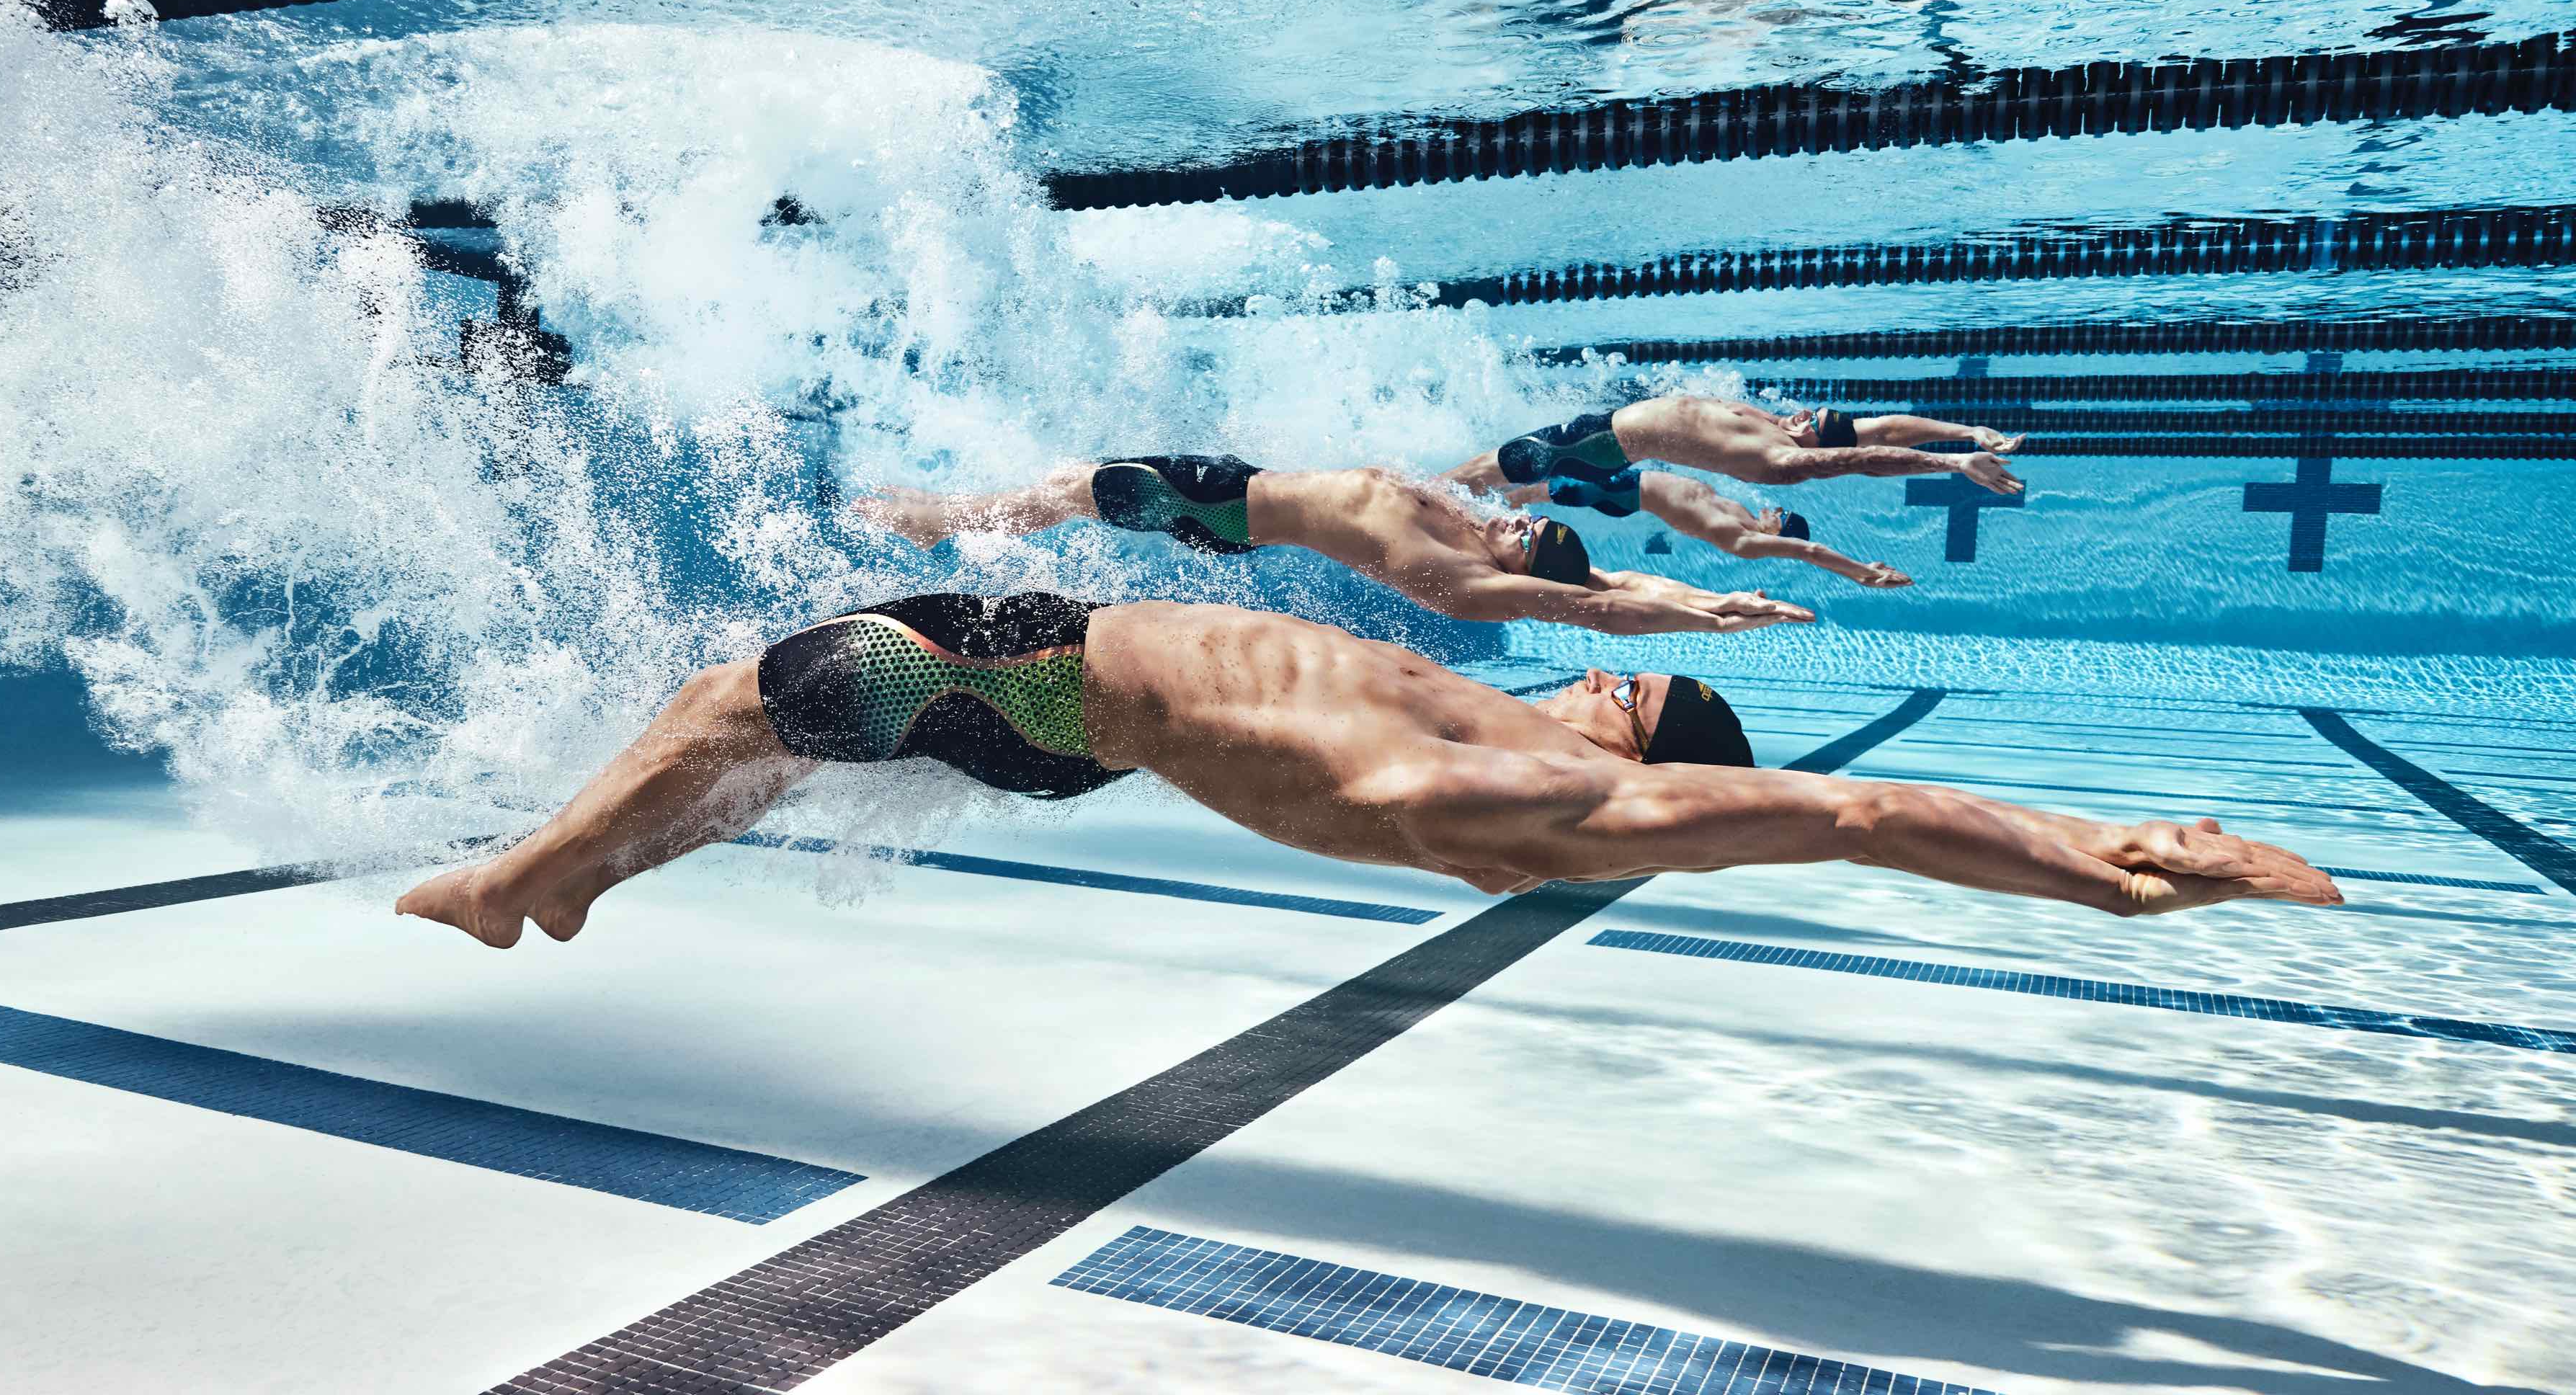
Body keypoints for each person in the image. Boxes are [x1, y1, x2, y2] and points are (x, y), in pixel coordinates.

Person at [396, 593, 2340, 948]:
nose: (1592, 679)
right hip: (1074, 695)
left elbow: (1851, 815)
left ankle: (531, 881)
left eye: (1620, 688)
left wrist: (2095, 856)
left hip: (1074, 695)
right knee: (734, 708)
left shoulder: (1580, 802)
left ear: (1642, 741)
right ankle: (567, 868)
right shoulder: (1517, 750)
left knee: (746, 699)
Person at [852, 455, 1814, 636]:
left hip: (1227, 510)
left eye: (1530, 538)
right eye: (1536, 520)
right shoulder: (1481, 530)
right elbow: (1608, 574)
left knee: (1069, 488)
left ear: (1515, 572)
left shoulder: (1468, 581)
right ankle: (960, 523)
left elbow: (1593, 602)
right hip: (1235, 481)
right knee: (1068, 488)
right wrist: (1703, 593)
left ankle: (948, 524)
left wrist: (1708, 619)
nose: (1521, 520)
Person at [1445, 397, 2028, 495]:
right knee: (1487, 476)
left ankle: (1414, 497)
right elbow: (1887, 430)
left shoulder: (1780, 461)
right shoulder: (1781, 427)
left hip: (1597, 447)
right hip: (1603, 423)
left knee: (1478, 474)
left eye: (1813, 420)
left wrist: (1953, 464)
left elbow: (1867, 455)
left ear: (1813, 443)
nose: (1802, 412)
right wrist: (1967, 432)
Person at [1510, 468, 1913, 589]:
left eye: (1782, 514)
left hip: (1622, 494)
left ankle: (1489, 500)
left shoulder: (1745, 539)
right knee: (1545, 477)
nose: (1775, 507)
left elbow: (1810, 552)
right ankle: (1499, 496)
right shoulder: (1742, 514)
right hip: (1626, 485)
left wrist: (1861, 571)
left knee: (1540, 489)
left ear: (1781, 533)